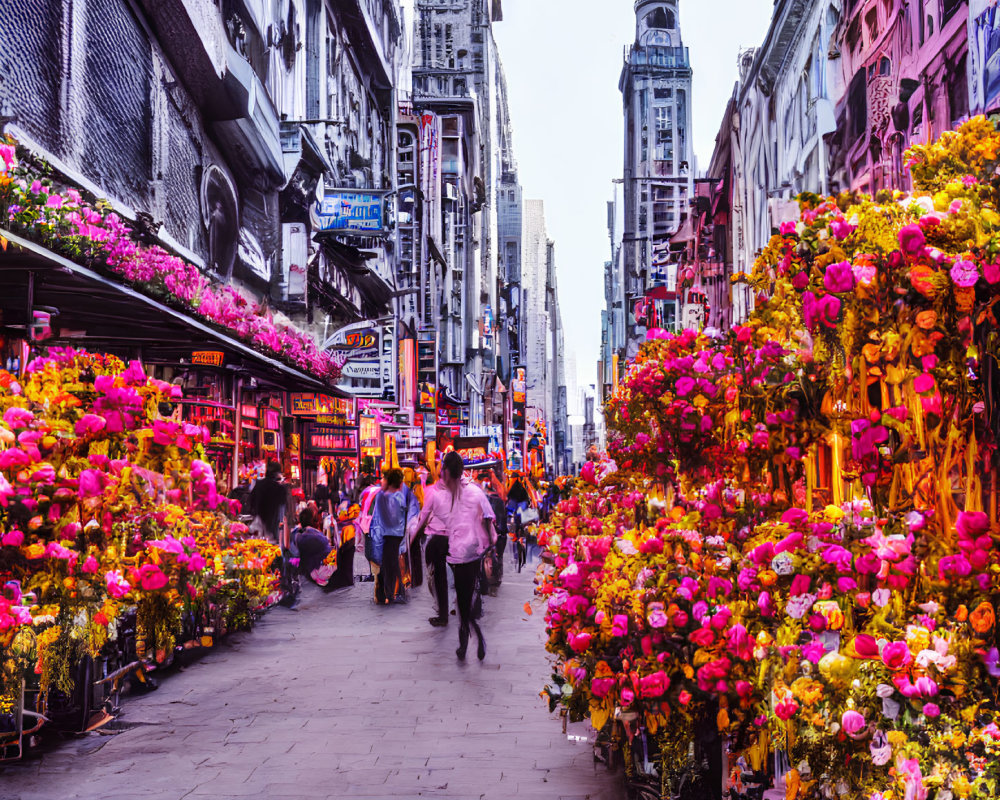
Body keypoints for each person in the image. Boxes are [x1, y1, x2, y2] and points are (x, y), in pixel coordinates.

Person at [415, 452, 496, 660]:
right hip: (471, 552)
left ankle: (469, 638)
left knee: (462, 599)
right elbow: (488, 517)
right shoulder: (473, 492)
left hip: (462, 554)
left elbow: (428, 516)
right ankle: (469, 636)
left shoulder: (442, 494)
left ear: (448, 472)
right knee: (464, 598)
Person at [369, 468, 418, 605]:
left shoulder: (384, 497)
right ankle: (394, 593)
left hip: (389, 535)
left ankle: (394, 593)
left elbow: (385, 518)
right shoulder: (397, 497)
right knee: (390, 563)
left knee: (390, 564)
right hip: (395, 534)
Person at [412, 472, 449, 626]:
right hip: (455, 538)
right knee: (449, 578)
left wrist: (413, 538)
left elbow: (424, 517)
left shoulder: (432, 494)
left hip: (437, 538)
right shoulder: (458, 493)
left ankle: (442, 613)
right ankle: (449, 610)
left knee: (438, 578)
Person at [249, 461, 289, 545]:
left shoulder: (258, 485)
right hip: (273, 530)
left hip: (259, 527)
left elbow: (251, 502)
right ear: (277, 473)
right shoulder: (280, 489)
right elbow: (282, 512)